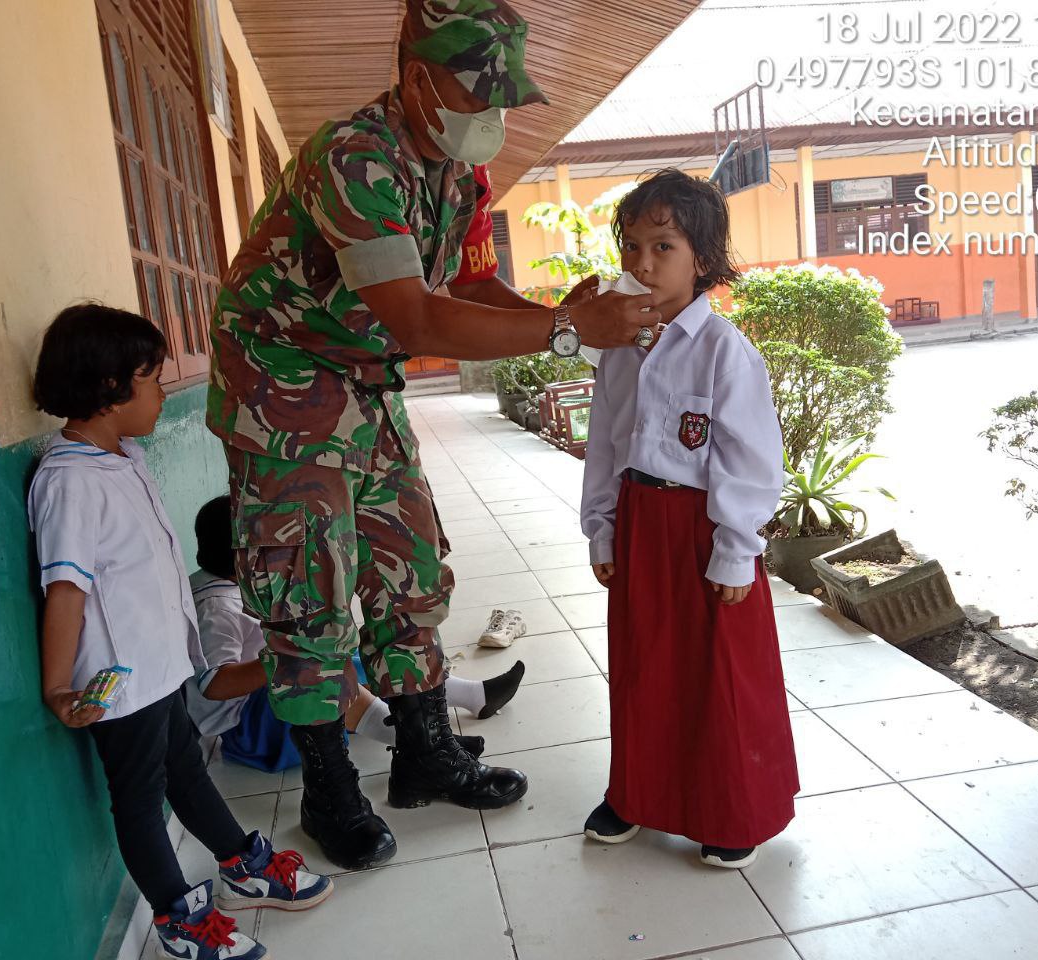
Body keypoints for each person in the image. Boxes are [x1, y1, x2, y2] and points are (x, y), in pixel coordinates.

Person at [207, 0, 660, 871]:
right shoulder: (353, 157)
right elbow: (416, 319)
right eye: (476, 92)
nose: (491, 115)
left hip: (361, 381)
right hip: (280, 384)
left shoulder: (457, 173)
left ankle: (424, 752)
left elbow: (472, 288)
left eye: (503, 97)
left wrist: (560, 317)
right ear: (417, 80)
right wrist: (569, 332)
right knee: (309, 586)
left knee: (409, 561)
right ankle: (329, 789)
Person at [29, 305, 331, 960]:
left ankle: (241, 865)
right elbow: (66, 589)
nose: (163, 392)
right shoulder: (69, 481)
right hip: (119, 681)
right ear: (110, 388)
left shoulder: (122, 456)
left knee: (186, 771)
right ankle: (178, 919)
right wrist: (56, 687)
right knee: (139, 802)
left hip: (159, 665)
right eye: (152, 379)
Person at [578, 170, 801, 869]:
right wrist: (603, 527)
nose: (642, 264)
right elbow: (606, 442)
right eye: (631, 246)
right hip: (641, 525)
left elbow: (751, 459)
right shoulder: (620, 346)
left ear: (701, 258)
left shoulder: (725, 351)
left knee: (719, 673)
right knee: (642, 665)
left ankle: (732, 809)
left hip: (705, 531)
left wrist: (736, 549)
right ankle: (634, 794)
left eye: (663, 247)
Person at [185, 495, 526, 769]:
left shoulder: (226, 584)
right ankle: (417, 743)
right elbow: (214, 685)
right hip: (246, 729)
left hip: (265, 706)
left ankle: (473, 697)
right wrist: (284, 658)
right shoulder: (215, 609)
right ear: (243, 559)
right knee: (320, 672)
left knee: (353, 656)